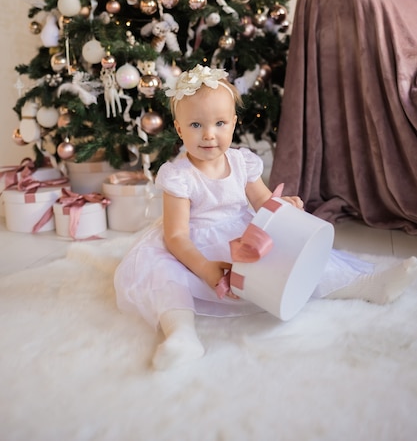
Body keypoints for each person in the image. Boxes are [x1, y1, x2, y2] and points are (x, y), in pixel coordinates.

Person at [114, 64, 417, 371]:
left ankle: (366, 285)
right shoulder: (179, 176)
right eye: (195, 125)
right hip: (193, 245)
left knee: (294, 256)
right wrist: (204, 268)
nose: (209, 134)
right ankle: (181, 336)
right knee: (165, 276)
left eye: (219, 123)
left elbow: (261, 200)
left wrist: (281, 206)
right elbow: (176, 235)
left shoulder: (242, 161)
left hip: (241, 235)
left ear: (233, 123)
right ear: (179, 129)